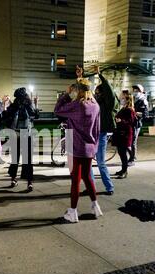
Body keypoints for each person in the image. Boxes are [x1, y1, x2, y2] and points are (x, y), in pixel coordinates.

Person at [54, 79, 103, 223]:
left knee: (75, 180)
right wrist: (94, 146)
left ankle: (73, 212)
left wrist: (65, 94)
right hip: (89, 147)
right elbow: (97, 129)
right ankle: (95, 206)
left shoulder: (77, 105)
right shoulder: (95, 105)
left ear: (78, 90)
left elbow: (58, 110)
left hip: (75, 147)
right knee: (87, 177)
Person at [4, 87, 39, 192]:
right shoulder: (14, 106)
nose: (22, 99)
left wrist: (36, 104)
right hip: (16, 133)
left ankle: (29, 181)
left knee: (27, 160)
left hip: (26, 134)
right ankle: (14, 179)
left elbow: (36, 115)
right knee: (15, 159)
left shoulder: (28, 106)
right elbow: (7, 116)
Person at [92, 65, 118, 196]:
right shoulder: (95, 103)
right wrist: (79, 77)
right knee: (88, 163)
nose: (96, 94)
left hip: (101, 134)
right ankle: (91, 186)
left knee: (101, 163)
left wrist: (100, 75)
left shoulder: (108, 104)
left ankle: (109, 187)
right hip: (91, 135)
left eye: (98, 92)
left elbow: (110, 92)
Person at [114, 91, 136, 179]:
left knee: (123, 153)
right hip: (121, 133)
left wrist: (121, 121)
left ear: (127, 99)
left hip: (125, 134)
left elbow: (131, 122)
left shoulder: (129, 109)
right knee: (121, 152)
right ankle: (123, 169)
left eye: (122, 97)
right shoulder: (124, 108)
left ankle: (125, 171)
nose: (120, 99)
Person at [129, 84, 149, 166]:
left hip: (136, 123)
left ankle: (132, 158)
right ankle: (132, 156)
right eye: (134, 90)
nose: (135, 92)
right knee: (129, 141)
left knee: (133, 141)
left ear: (140, 91)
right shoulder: (131, 99)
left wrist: (136, 113)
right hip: (129, 123)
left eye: (136, 90)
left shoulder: (143, 100)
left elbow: (146, 114)